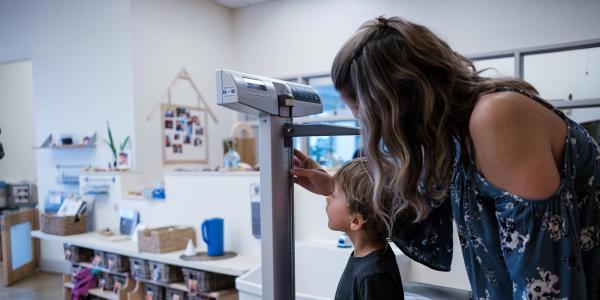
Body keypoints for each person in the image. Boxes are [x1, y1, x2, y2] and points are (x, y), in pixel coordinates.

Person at [292, 16, 600, 299]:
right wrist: (336, 187)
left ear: (393, 103)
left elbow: (545, 286)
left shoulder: (496, 118)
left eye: (358, 109)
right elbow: (418, 215)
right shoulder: (456, 139)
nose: (361, 122)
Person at [326, 157, 404, 300]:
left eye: (334, 195)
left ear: (355, 221)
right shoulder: (365, 259)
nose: (327, 198)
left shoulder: (374, 275)